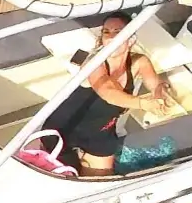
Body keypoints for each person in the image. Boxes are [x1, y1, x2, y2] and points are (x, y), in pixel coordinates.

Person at [46, 14, 172, 177]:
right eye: (106, 32)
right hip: (64, 130)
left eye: (118, 32)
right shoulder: (93, 62)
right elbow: (107, 91)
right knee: (67, 181)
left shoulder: (139, 62)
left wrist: (161, 93)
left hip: (101, 132)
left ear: (131, 40)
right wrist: (142, 103)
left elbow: (155, 84)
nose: (111, 37)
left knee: (101, 182)